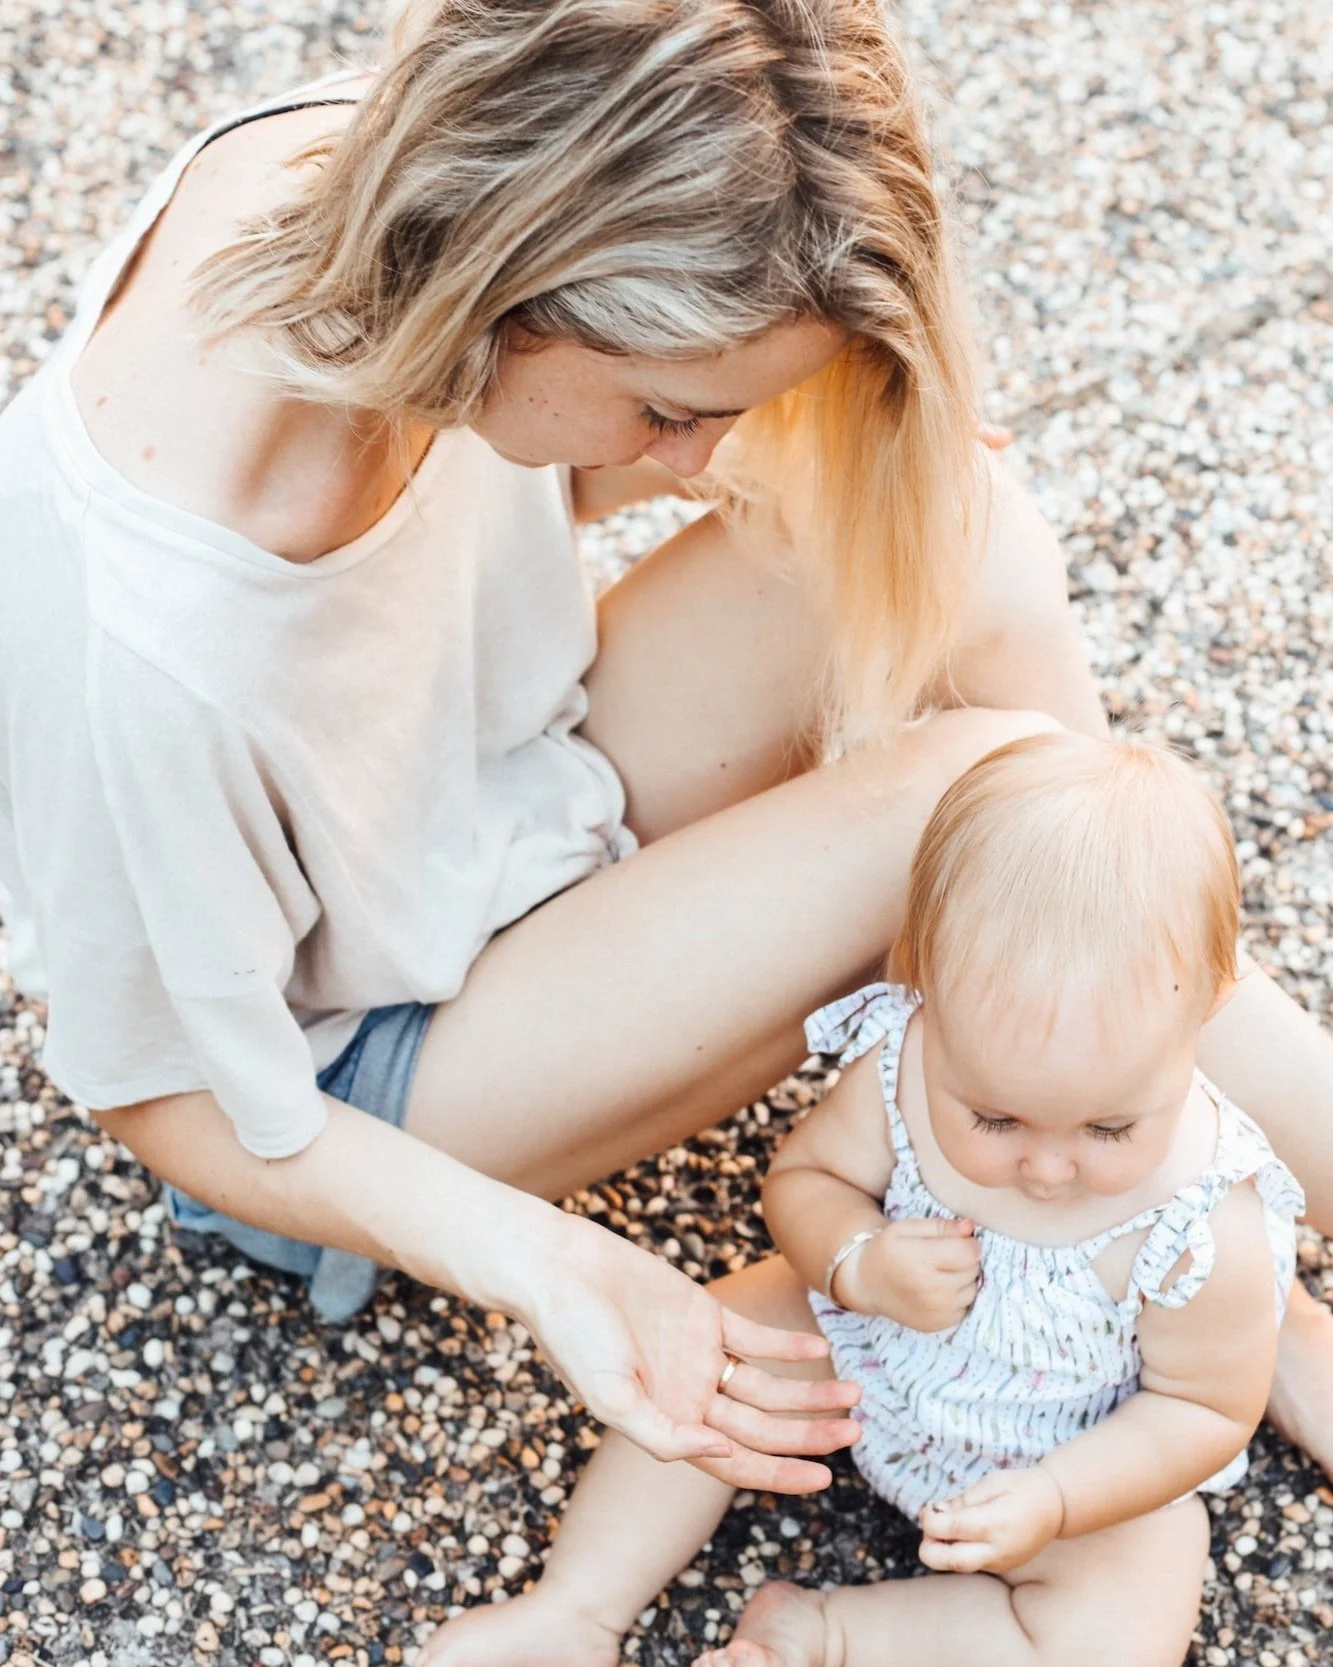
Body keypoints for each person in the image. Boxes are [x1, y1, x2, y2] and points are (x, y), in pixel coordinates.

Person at [0, 0, 1329, 1500]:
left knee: (962, 528)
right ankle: (1181, 1228)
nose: (693, 463)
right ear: (519, 291)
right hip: (361, 1068)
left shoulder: (404, 179)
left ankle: (1191, 1225)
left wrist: (818, 439)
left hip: (502, 782)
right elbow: (156, 1094)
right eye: (672, 412)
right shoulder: (144, 634)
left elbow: (515, 492)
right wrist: (555, 1265)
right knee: (971, 798)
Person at [429, 732, 1304, 1667]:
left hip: (1071, 1453)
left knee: (1123, 1624)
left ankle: (830, 1635)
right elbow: (806, 1181)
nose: (1047, 1169)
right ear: (922, 985)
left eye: (1107, 1130)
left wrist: (1055, 1497)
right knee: (710, 1340)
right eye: (995, 1118)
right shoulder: (905, 1062)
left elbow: (1200, 1412)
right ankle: (575, 1606)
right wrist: (853, 1261)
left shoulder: (1205, 1226)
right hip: (862, 1355)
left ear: (1206, 1006)